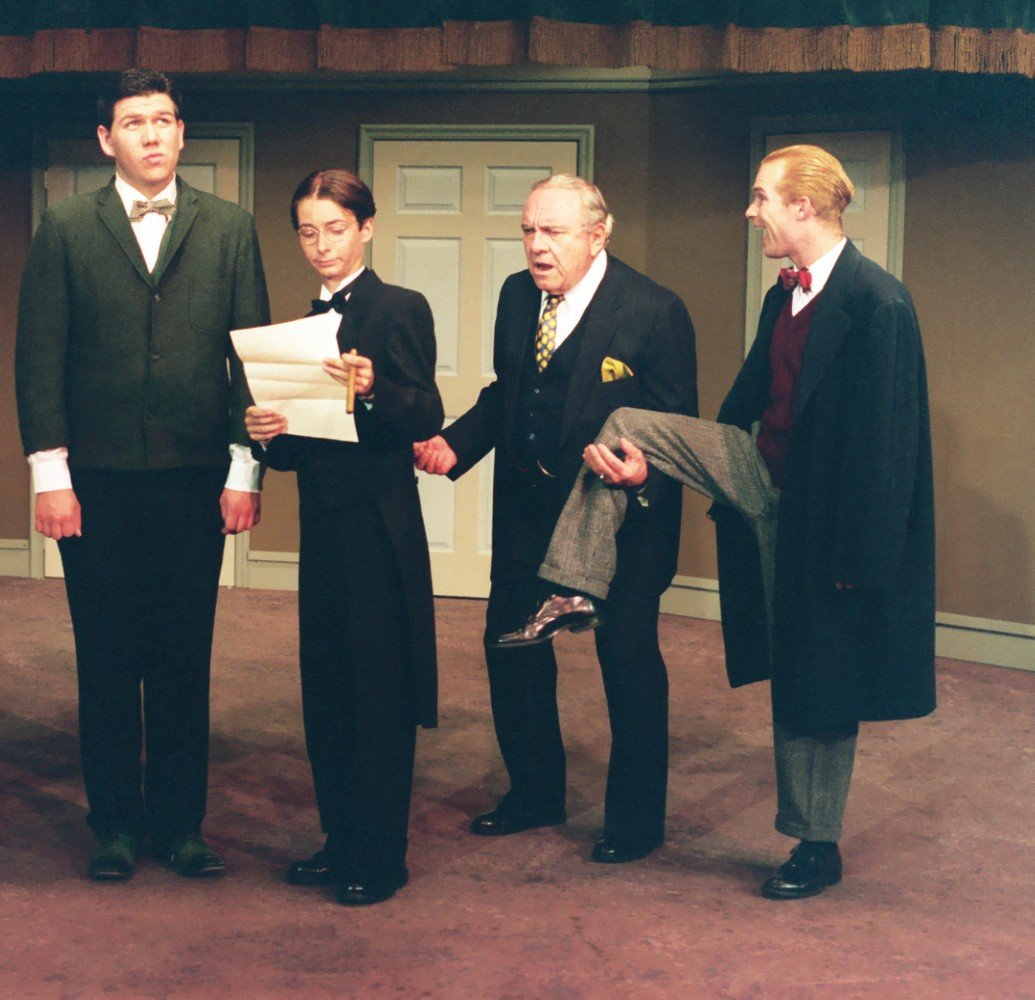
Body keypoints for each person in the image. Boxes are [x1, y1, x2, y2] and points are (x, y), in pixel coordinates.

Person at [514, 145, 936, 898]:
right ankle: (576, 587)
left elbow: (889, 449)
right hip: (758, 468)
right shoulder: (787, 294)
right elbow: (748, 404)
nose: (750, 212)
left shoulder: (881, 303)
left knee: (814, 682)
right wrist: (670, 462)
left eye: (760, 199)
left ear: (802, 207)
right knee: (626, 424)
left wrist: (859, 560)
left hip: (823, 515)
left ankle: (815, 844)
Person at [15, 69, 268, 882]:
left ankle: (181, 826)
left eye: (164, 120)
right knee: (107, 657)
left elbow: (251, 357)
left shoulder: (230, 227)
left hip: (197, 479)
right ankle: (115, 826)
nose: (152, 135)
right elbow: (39, 358)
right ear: (106, 140)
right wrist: (50, 476)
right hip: (96, 481)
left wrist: (246, 472)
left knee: (184, 659)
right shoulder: (64, 227)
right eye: (134, 122)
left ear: (182, 134)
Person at [414, 175, 697, 864]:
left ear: (598, 235)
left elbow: (679, 426)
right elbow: (510, 391)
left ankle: (635, 823)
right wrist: (457, 442)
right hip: (527, 511)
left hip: (619, 519)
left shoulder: (654, 311)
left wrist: (644, 471)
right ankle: (535, 793)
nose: (537, 247)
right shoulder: (518, 296)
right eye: (529, 231)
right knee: (511, 648)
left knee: (624, 660)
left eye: (554, 232)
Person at [244, 170, 442, 906]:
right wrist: (269, 436)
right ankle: (339, 839)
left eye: (334, 228)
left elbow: (425, 412)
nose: (321, 245)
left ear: (366, 228)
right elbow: (302, 447)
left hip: (379, 527)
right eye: (307, 231)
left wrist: (372, 388)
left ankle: (381, 855)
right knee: (326, 689)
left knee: (378, 694)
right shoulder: (300, 322)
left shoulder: (399, 308)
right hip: (324, 530)